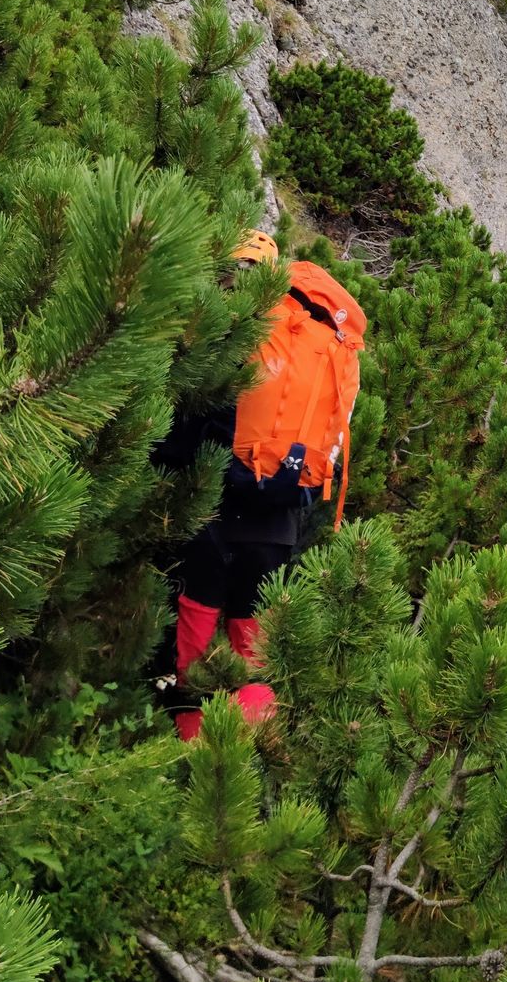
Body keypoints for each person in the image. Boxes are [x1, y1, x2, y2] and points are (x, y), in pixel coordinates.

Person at [153, 229, 365, 738]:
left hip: (214, 507)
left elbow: (178, 433)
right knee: (253, 644)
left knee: (195, 630)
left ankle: (190, 750)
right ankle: (253, 752)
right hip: (279, 519)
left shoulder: (227, 331)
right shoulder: (325, 345)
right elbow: (330, 441)